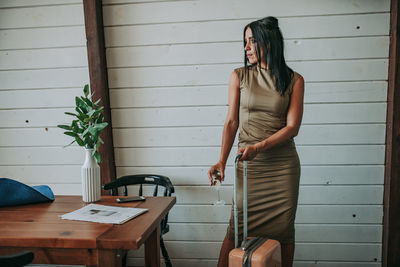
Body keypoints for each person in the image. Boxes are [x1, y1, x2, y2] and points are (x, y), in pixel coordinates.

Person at [208, 16, 305, 267]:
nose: (246, 47)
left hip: (282, 169)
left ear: (269, 42)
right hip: (249, 168)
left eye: (252, 41)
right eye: (245, 42)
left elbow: (292, 127)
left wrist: (259, 147)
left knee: (284, 232)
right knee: (236, 230)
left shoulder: (295, 80)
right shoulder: (239, 76)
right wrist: (221, 161)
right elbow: (231, 123)